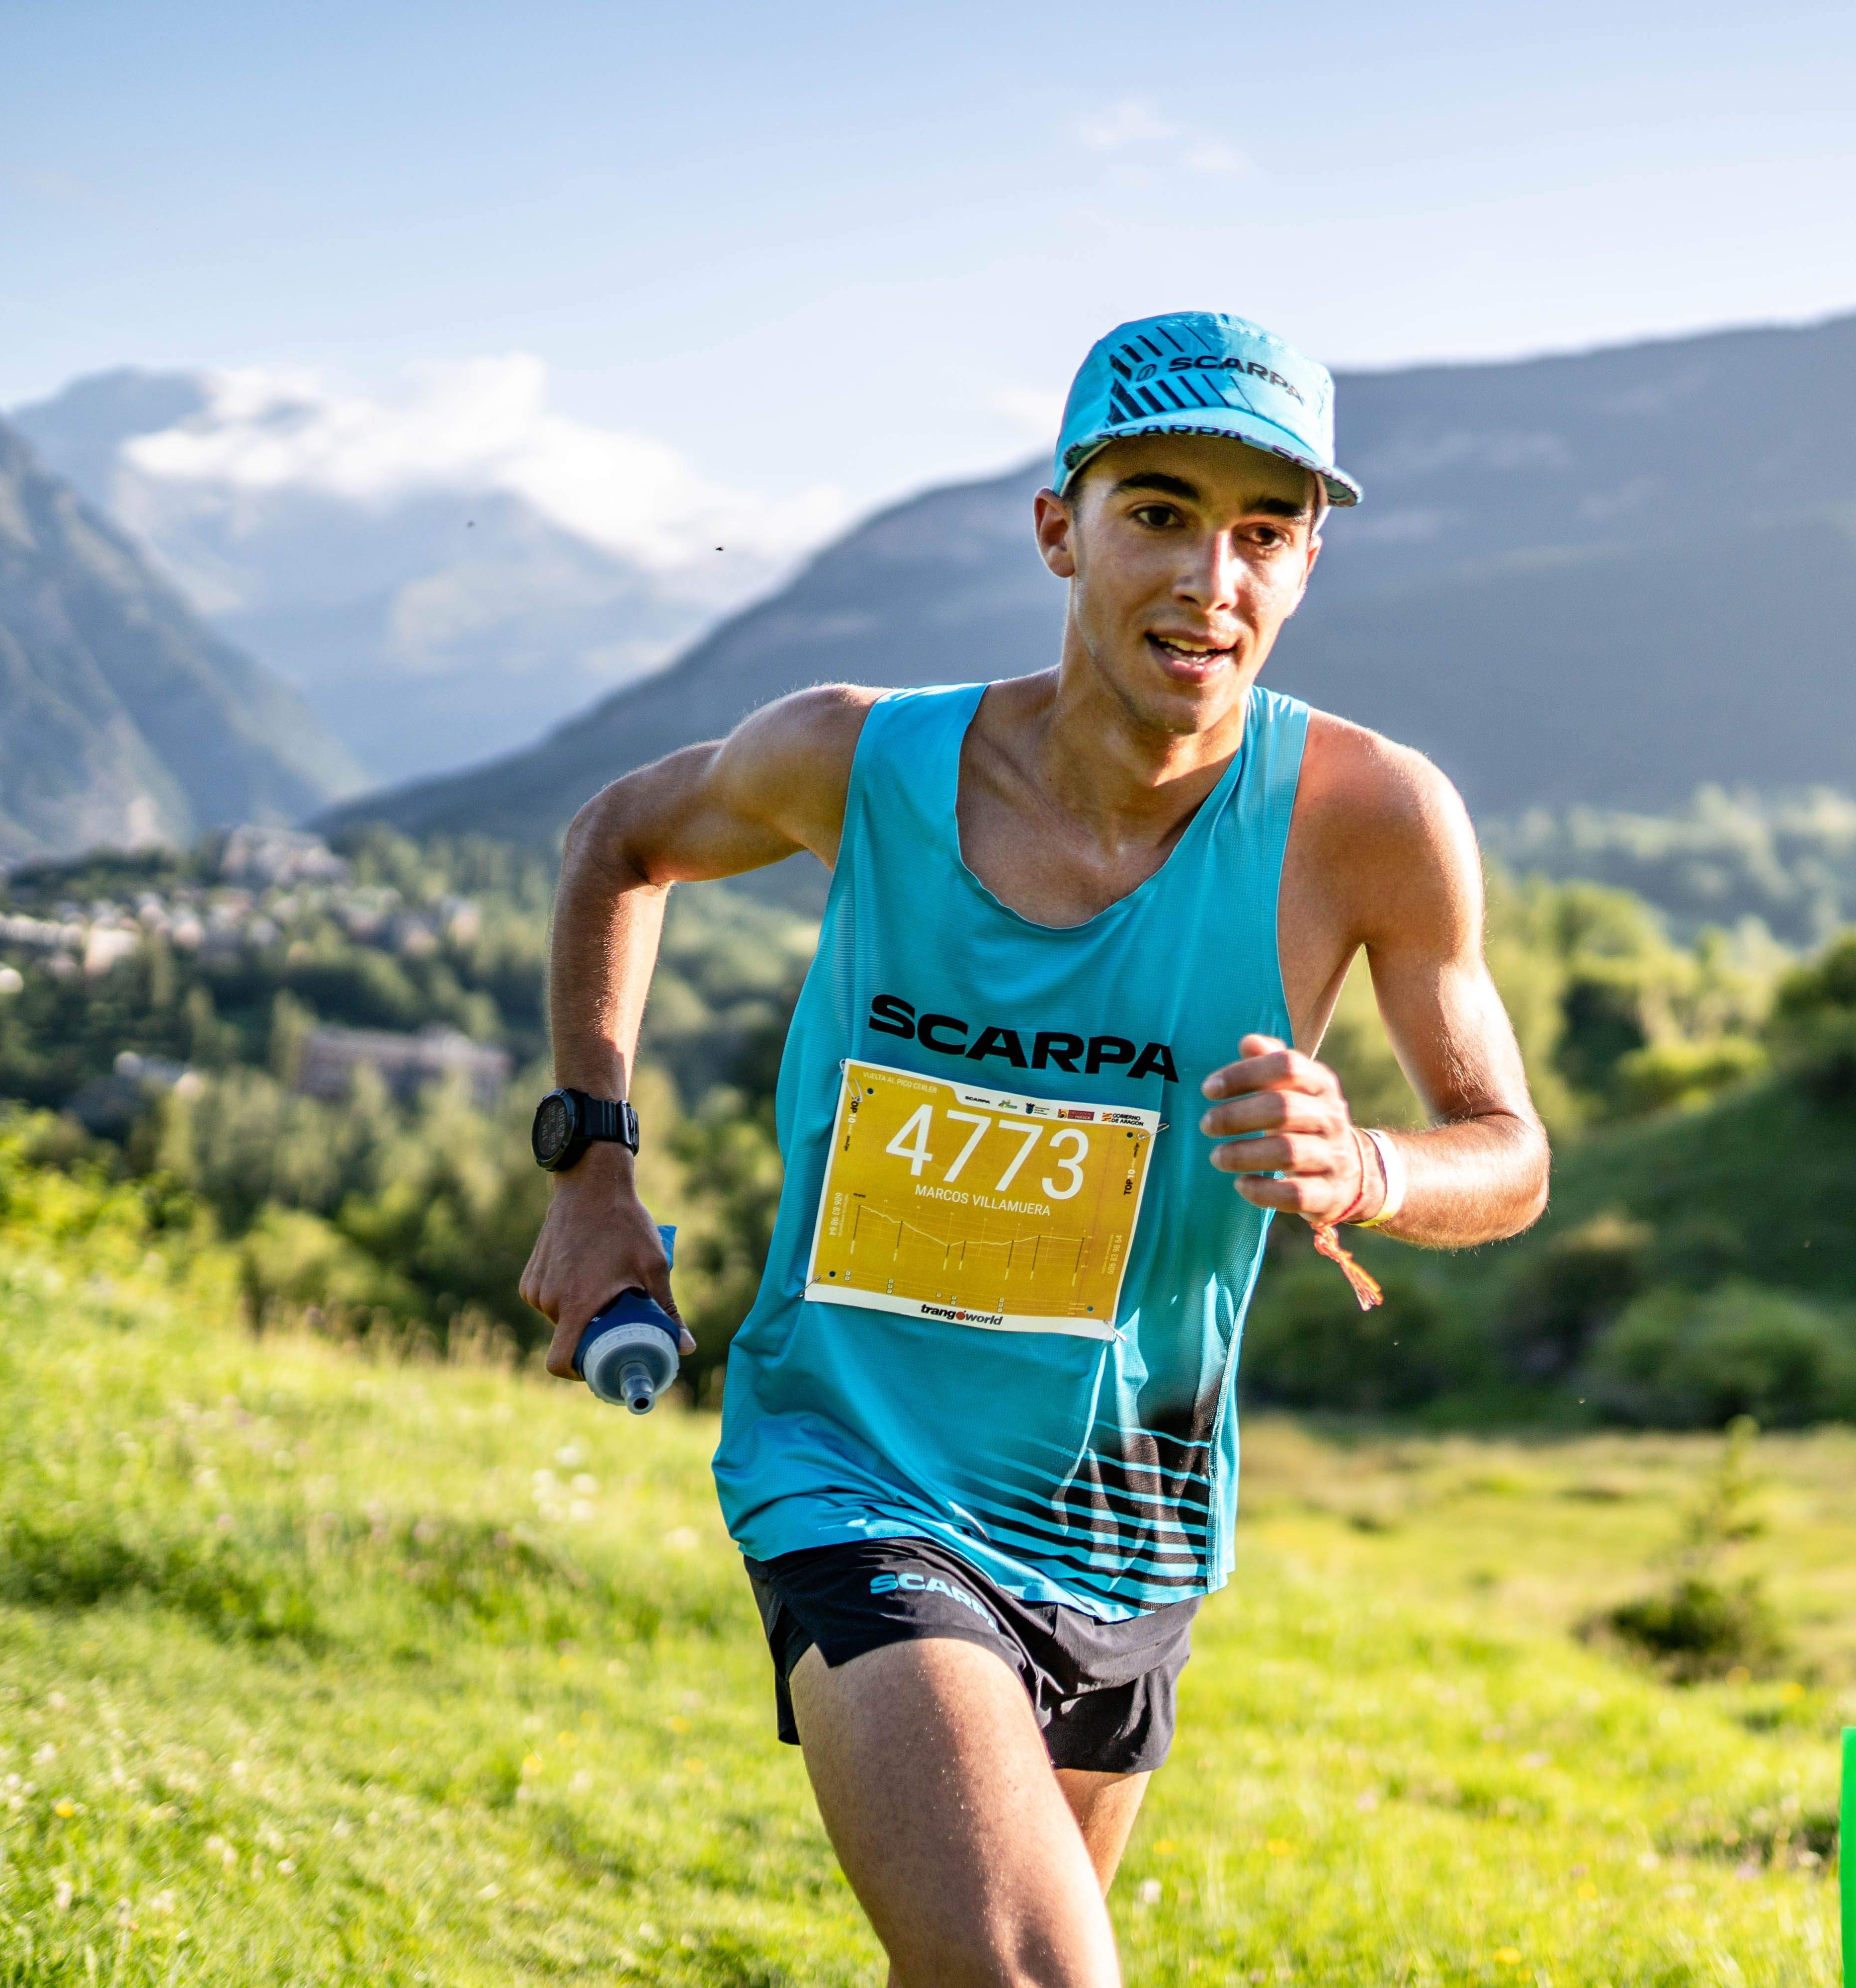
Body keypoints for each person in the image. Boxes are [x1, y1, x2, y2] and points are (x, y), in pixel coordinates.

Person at [519, 310, 1549, 1987]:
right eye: (1159, 511)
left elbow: (1508, 1153)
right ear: (1061, 527)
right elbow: (612, 840)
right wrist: (594, 1168)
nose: (1211, 577)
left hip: (1129, 1520)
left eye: (1265, 532)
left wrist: (1367, 1170)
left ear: (1303, 565)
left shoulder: (1370, 820)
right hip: (855, 1478)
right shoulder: (860, 758)